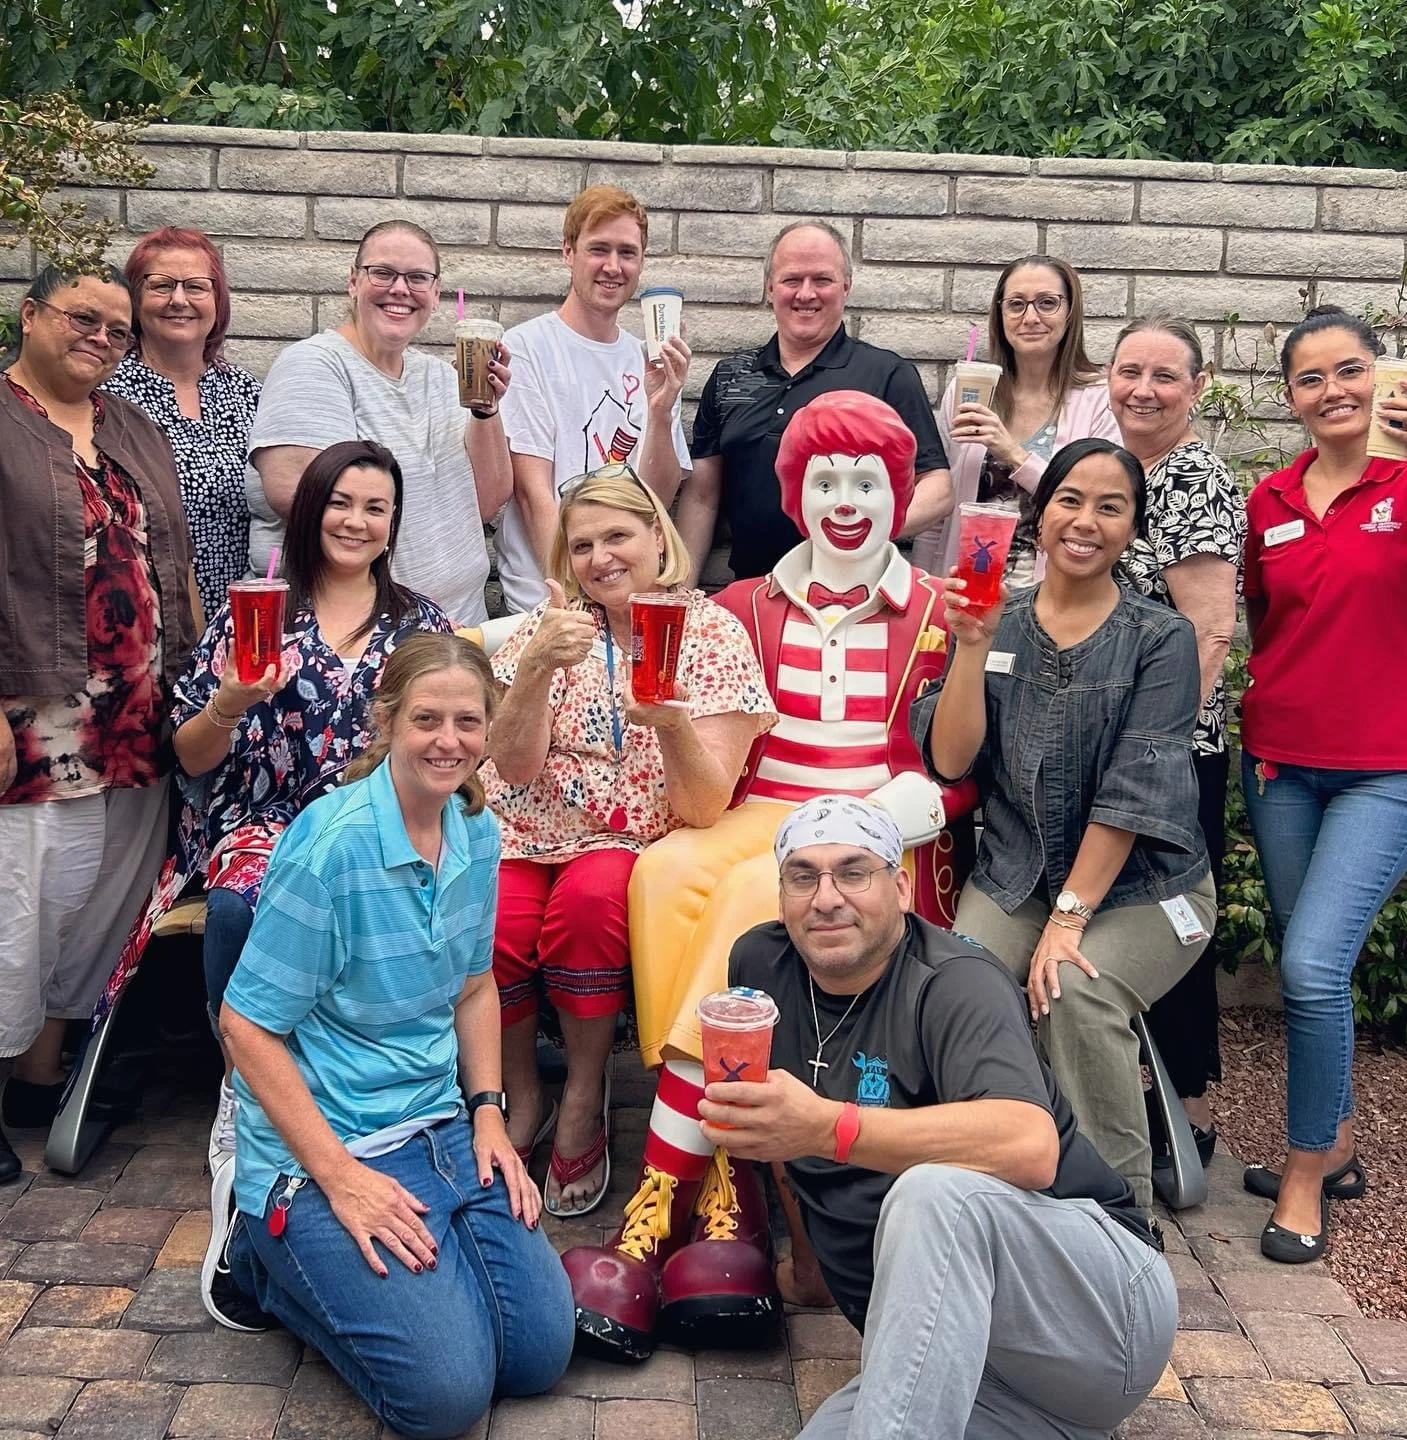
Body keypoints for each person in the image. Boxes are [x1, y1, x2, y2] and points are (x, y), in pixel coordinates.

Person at [562, 392, 978, 1362]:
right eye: (825, 480)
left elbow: (962, 771)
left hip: (870, 824)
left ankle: (673, 1187)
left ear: (895, 496)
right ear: (795, 496)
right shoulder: (742, 605)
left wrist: (896, 815)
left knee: (764, 901)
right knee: (662, 876)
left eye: (865, 480)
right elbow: (715, 745)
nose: (845, 499)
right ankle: (724, 1173)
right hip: (757, 809)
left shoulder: (932, 613)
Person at [698, 795, 1177, 1440]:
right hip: (967, 1369)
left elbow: (1030, 1145)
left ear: (900, 887)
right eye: (803, 876)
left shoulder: (954, 983)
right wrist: (810, 1272)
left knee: (933, 1192)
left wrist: (828, 1127)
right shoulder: (762, 966)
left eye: (854, 872)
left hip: (1098, 1323)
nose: (827, 897)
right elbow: (785, 1130)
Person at [203, 633, 574, 1439]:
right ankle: (257, 1251)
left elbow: (476, 985)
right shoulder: (331, 848)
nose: (450, 741)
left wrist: (487, 1113)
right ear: (386, 721)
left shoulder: (476, 833)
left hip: (440, 1123)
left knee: (541, 1354)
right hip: (329, 1144)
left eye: (469, 722)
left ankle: (428, 1269)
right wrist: (338, 1176)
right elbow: (246, 1026)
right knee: (443, 1401)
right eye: (428, 719)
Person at [99, 439, 454, 1174]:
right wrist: (229, 702)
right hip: (263, 823)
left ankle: (357, 1081)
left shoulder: (420, 626)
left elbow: (447, 745)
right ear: (310, 510)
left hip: (372, 826)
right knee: (236, 907)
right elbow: (191, 754)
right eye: (340, 502)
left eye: (375, 508)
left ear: (393, 523)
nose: (355, 521)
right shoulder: (251, 611)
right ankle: (245, 1082)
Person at [914, 437, 1217, 1212]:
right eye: (1070, 500)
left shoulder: (1162, 638)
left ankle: (1117, 1217)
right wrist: (973, 652)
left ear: (1134, 529)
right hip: (1017, 875)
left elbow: (1133, 794)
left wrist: (1069, 919)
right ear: (1039, 515)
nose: (1086, 521)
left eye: (1111, 507)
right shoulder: (994, 618)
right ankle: (983, 1185)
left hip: (1147, 891)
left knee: (1073, 993)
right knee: (959, 985)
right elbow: (952, 763)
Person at [482, 462, 775, 1218]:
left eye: (618, 535)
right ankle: (523, 1097)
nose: (601, 558)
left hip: (627, 834)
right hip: (522, 824)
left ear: (657, 536)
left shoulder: (709, 634)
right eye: (581, 546)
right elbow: (510, 764)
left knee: (588, 909)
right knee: (497, 919)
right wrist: (538, 667)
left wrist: (672, 723)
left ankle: (582, 1095)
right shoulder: (548, 629)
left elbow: (706, 806)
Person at [1237, 306, 1407, 1263]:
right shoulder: (1269, 500)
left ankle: (1309, 1165)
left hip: (1390, 768)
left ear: (1381, 376)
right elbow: (1261, 620)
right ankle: (1343, 1134)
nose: (1334, 392)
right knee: (1307, 956)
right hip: (1280, 763)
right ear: (1291, 397)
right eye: (1312, 379)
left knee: (1314, 966)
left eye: (1349, 370)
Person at [0, 265, 196, 1182]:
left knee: (97, 904)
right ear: (31, 315)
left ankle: (40, 1076)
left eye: (118, 330)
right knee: (19, 901)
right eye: (85, 318)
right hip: (35, 713)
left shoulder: (128, 425)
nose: (103, 338)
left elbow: (174, 559)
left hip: (138, 715)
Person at [1109, 315, 1245, 1167]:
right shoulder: (1124, 469)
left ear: (1196, 389)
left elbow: (1208, 633)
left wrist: (1149, 752)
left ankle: (1185, 1117)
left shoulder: (1195, 476)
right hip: (1116, 743)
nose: (1145, 390)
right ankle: (1133, 1099)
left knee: (1171, 927)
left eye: (1166, 376)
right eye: (1130, 372)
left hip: (1171, 753)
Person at [244, 219, 511, 625]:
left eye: (418, 278)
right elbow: (294, 492)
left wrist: (485, 410)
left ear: (436, 294)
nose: (400, 289)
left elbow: (487, 501)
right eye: (382, 273)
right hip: (358, 635)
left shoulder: (444, 379)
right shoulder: (314, 365)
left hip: (456, 629)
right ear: (353, 282)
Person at [675, 220, 950, 583]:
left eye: (822, 280)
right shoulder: (732, 375)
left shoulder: (886, 374)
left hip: (859, 596)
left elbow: (937, 486)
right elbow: (701, 498)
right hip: (753, 597)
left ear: (846, 287)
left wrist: (863, 531)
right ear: (769, 288)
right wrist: (680, 593)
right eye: (792, 280)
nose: (806, 294)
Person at [495, 185, 691, 614]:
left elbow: (654, 498)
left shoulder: (649, 356)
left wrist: (659, 412)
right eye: (598, 249)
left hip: (628, 605)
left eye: (628, 252)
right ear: (568, 252)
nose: (613, 266)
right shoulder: (528, 347)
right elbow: (533, 493)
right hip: (550, 602)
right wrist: (577, 599)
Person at [911, 253, 1120, 578]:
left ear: (1069, 312)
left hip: (1049, 599)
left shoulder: (1098, 398)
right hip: (965, 595)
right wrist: (925, 590)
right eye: (1016, 304)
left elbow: (1094, 506)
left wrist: (1013, 453)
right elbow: (938, 511)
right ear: (1000, 313)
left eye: (1047, 303)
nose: (1031, 317)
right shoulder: (969, 391)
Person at [104, 226, 261, 619]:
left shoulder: (250, 394)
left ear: (217, 299)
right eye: (160, 285)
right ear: (134, 298)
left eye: (196, 286)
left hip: (242, 624)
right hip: (142, 620)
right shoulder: (106, 395)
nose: (179, 300)